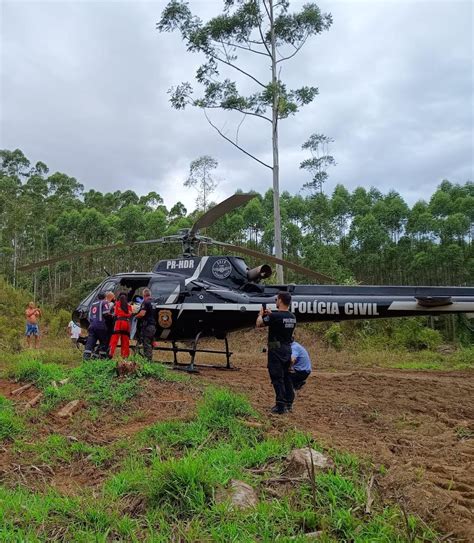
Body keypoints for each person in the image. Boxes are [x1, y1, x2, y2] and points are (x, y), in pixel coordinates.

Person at [256, 292, 297, 414]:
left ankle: (280, 406)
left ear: (280, 300)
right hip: (287, 347)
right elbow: (281, 323)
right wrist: (272, 315)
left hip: (276, 348)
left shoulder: (275, 316)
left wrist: (260, 314)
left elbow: (259, 324)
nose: (275, 301)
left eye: (276, 299)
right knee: (286, 376)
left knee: (277, 377)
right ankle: (289, 403)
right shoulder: (292, 317)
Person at [83, 292, 111, 360]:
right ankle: (102, 358)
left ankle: (86, 358)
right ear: (105, 297)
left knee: (90, 342)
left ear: (98, 298)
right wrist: (111, 318)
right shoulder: (105, 302)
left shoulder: (92, 304)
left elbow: (89, 316)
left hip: (92, 326)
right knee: (104, 342)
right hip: (101, 325)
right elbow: (106, 314)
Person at [109, 293, 133, 359]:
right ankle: (125, 357)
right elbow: (130, 314)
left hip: (119, 323)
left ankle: (110, 353)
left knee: (114, 339)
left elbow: (116, 313)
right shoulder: (129, 306)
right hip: (126, 323)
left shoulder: (117, 304)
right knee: (125, 341)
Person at [135, 288, 156, 361]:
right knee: (150, 343)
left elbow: (142, 314)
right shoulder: (154, 302)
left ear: (144, 295)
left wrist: (136, 316)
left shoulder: (145, 302)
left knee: (146, 344)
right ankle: (149, 359)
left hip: (147, 326)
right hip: (153, 326)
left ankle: (148, 361)